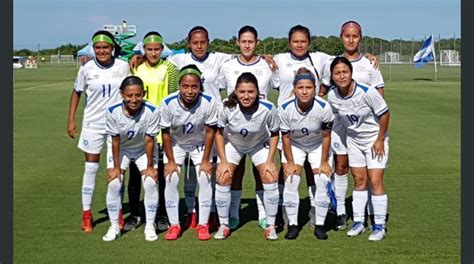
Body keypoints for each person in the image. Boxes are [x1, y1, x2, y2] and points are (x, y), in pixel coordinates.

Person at [217, 25, 279, 230]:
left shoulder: (268, 65)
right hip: (234, 129)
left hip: (259, 127)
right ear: (237, 42)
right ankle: (232, 215)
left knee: (263, 173)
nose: (246, 45)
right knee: (234, 172)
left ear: (257, 43)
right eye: (243, 41)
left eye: (250, 41)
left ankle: (264, 215)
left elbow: (283, 84)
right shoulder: (226, 65)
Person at [67, 30, 130, 233]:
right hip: (92, 125)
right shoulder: (86, 68)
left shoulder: (122, 66)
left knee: (116, 171)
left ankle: (117, 211)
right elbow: (76, 93)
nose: (102, 51)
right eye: (98, 48)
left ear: (112, 48)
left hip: (116, 126)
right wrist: (71, 121)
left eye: (105, 47)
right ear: (93, 49)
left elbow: (130, 92)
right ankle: (87, 213)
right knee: (91, 169)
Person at [328, 21, 386, 231]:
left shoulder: (370, 64)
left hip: (365, 124)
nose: (351, 40)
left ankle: (373, 215)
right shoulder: (331, 63)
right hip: (342, 125)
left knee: (371, 173)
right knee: (343, 167)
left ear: (360, 38)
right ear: (341, 37)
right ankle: (341, 212)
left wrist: (379, 133)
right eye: (347, 36)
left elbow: (380, 98)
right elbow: (325, 93)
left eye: (355, 36)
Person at [124, 31, 179, 233]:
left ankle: (162, 214)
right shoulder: (135, 67)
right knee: (136, 175)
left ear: (162, 49)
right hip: (138, 129)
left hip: (162, 129)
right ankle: (135, 214)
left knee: (162, 176)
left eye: (157, 49)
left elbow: (174, 99)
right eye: (149, 49)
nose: (153, 53)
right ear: (143, 50)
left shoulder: (170, 69)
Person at [159, 65, 218, 241]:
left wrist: (206, 159)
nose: (190, 91)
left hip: (200, 144)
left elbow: (210, 132)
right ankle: (174, 224)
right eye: (185, 86)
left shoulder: (209, 101)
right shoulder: (168, 103)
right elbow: (166, 133)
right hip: (177, 144)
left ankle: (203, 224)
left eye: (194, 86)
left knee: (205, 177)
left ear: (200, 86)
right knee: (171, 177)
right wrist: (170, 161)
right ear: (179, 85)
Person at [278, 67, 334, 240]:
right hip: (295, 145)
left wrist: (324, 162)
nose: (304, 91)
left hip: (318, 145)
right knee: (291, 179)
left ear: (315, 89)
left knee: (323, 179)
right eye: (300, 87)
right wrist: (290, 162)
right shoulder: (285, 108)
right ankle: (293, 225)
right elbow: (285, 138)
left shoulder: (324, 107)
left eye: (308, 87)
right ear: (294, 89)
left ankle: (320, 224)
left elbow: (326, 136)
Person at [102, 76, 160, 242]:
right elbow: (115, 140)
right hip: (122, 149)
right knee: (114, 183)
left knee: (150, 182)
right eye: (129, 96)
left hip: (143, 149)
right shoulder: (112, 111)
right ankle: (114, 226)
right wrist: (115, 167)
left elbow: (150, 140)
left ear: (144, 93)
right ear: (122, 94)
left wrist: (150, 166)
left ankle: (149, 225)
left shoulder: (152, 110)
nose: (134, 99)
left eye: (138, 95)